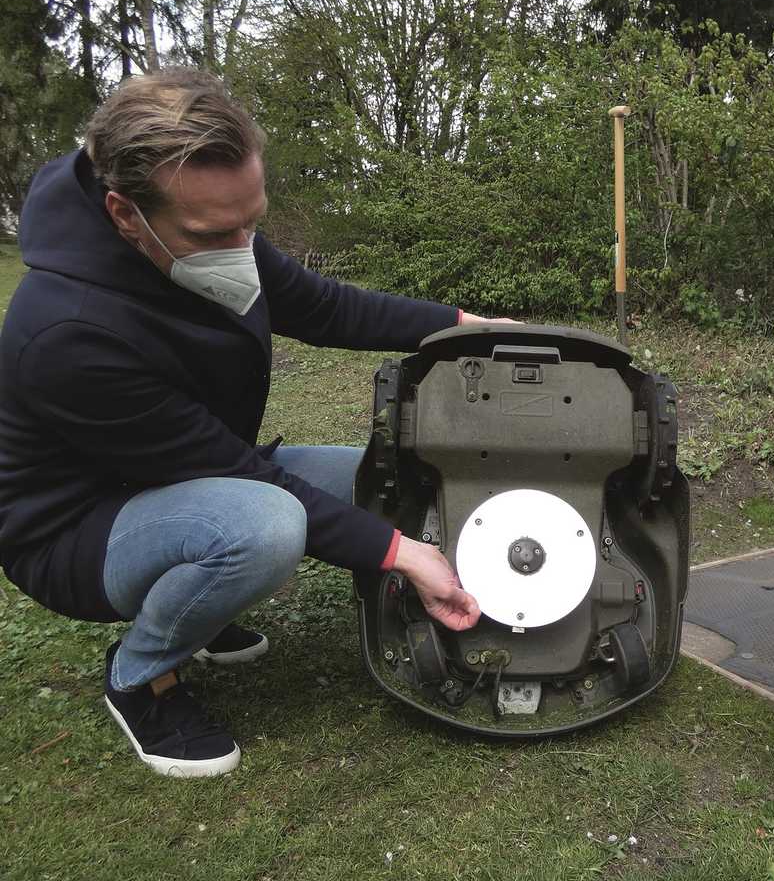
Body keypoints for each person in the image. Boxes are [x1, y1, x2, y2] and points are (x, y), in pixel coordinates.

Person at [0, 68, 485, 778]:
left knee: (381, 476)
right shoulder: (66, 333)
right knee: (264, 526)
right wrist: (399, 553)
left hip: (177, 477)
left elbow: (325, 308)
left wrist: (462, 328)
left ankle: (201, 607)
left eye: (251, 220)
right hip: (72, 530)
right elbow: (227, 470)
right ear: (124, 213)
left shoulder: (202, 229)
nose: (242, 244)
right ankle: (141, 677)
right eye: (216, 231)